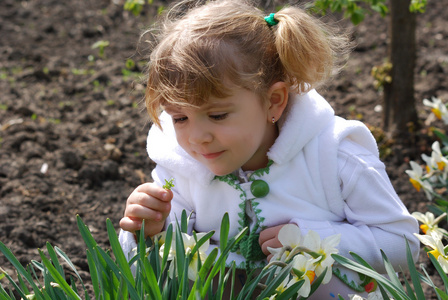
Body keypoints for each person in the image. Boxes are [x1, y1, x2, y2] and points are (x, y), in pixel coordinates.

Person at [118, 0, 419, 298]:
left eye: (217, 115)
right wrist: (149, 229)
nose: (197, 138)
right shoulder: (181, 166)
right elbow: (163, 259)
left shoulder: (335, 156)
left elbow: (403, 243)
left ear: (274, 101)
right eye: (179, 118)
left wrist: (316, 241)